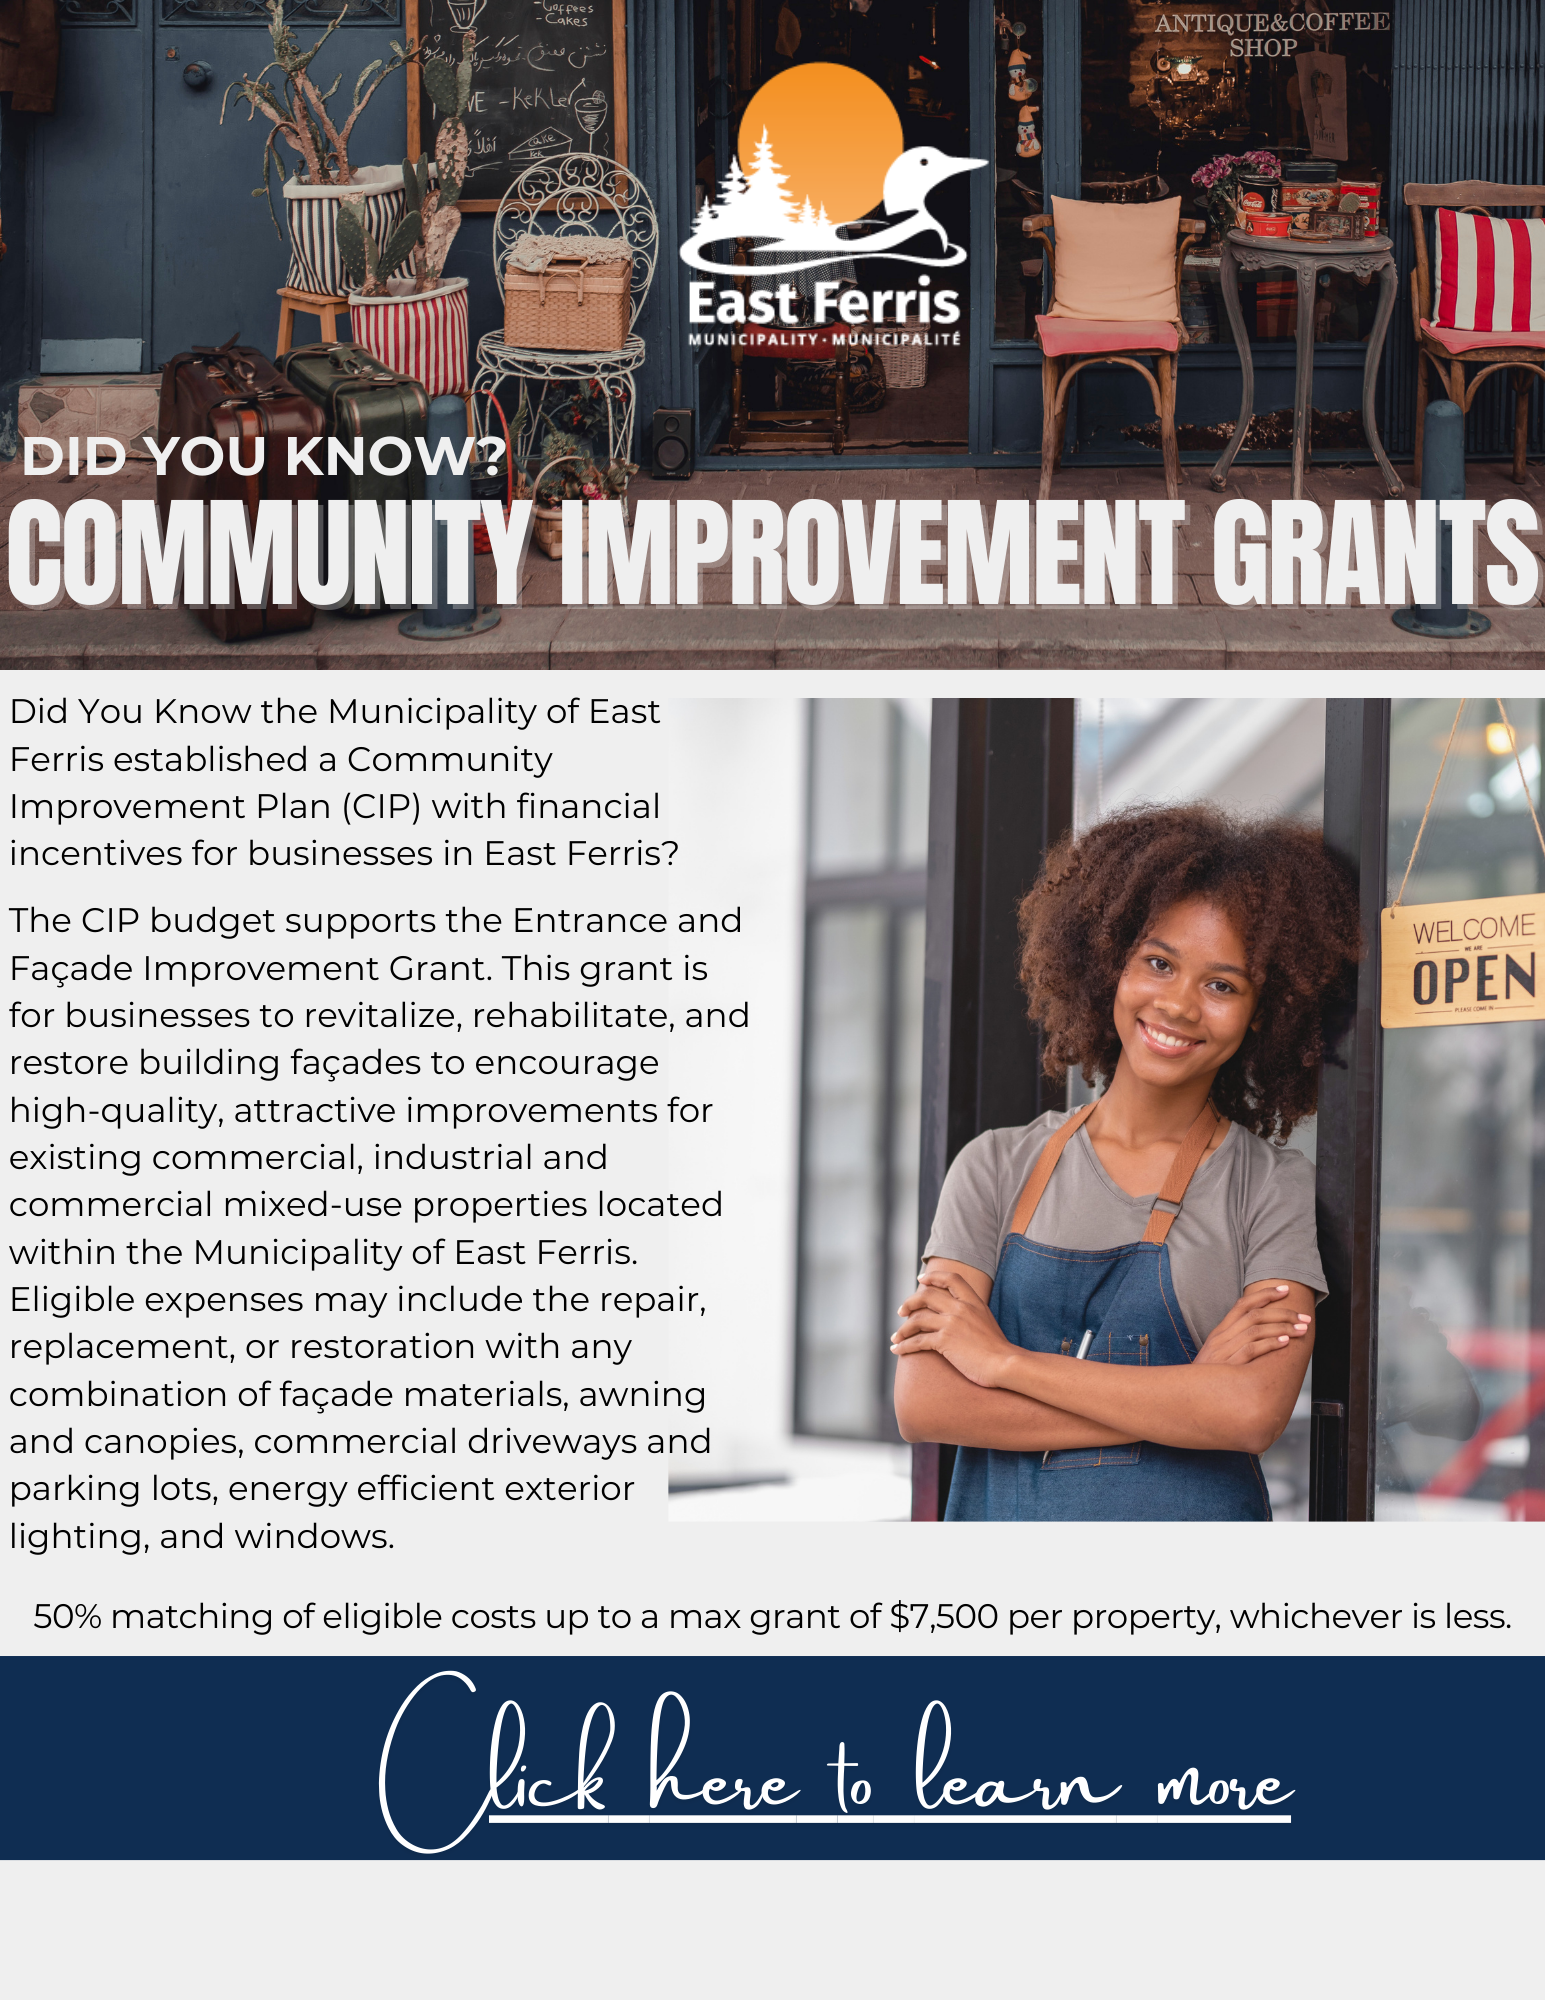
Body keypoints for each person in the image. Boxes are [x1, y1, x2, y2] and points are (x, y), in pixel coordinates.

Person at [891, 803, 1363, 1521]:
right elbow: (927, 1403)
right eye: (1158, 963)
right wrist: (1184, 1397)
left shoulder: (1268, 1187)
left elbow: (1247, 1415)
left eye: (1221, 984)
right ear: (1109, 962)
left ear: (1261, 1014)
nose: (1176, 1004)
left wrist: (1003, 1365)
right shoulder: (993, 1166)